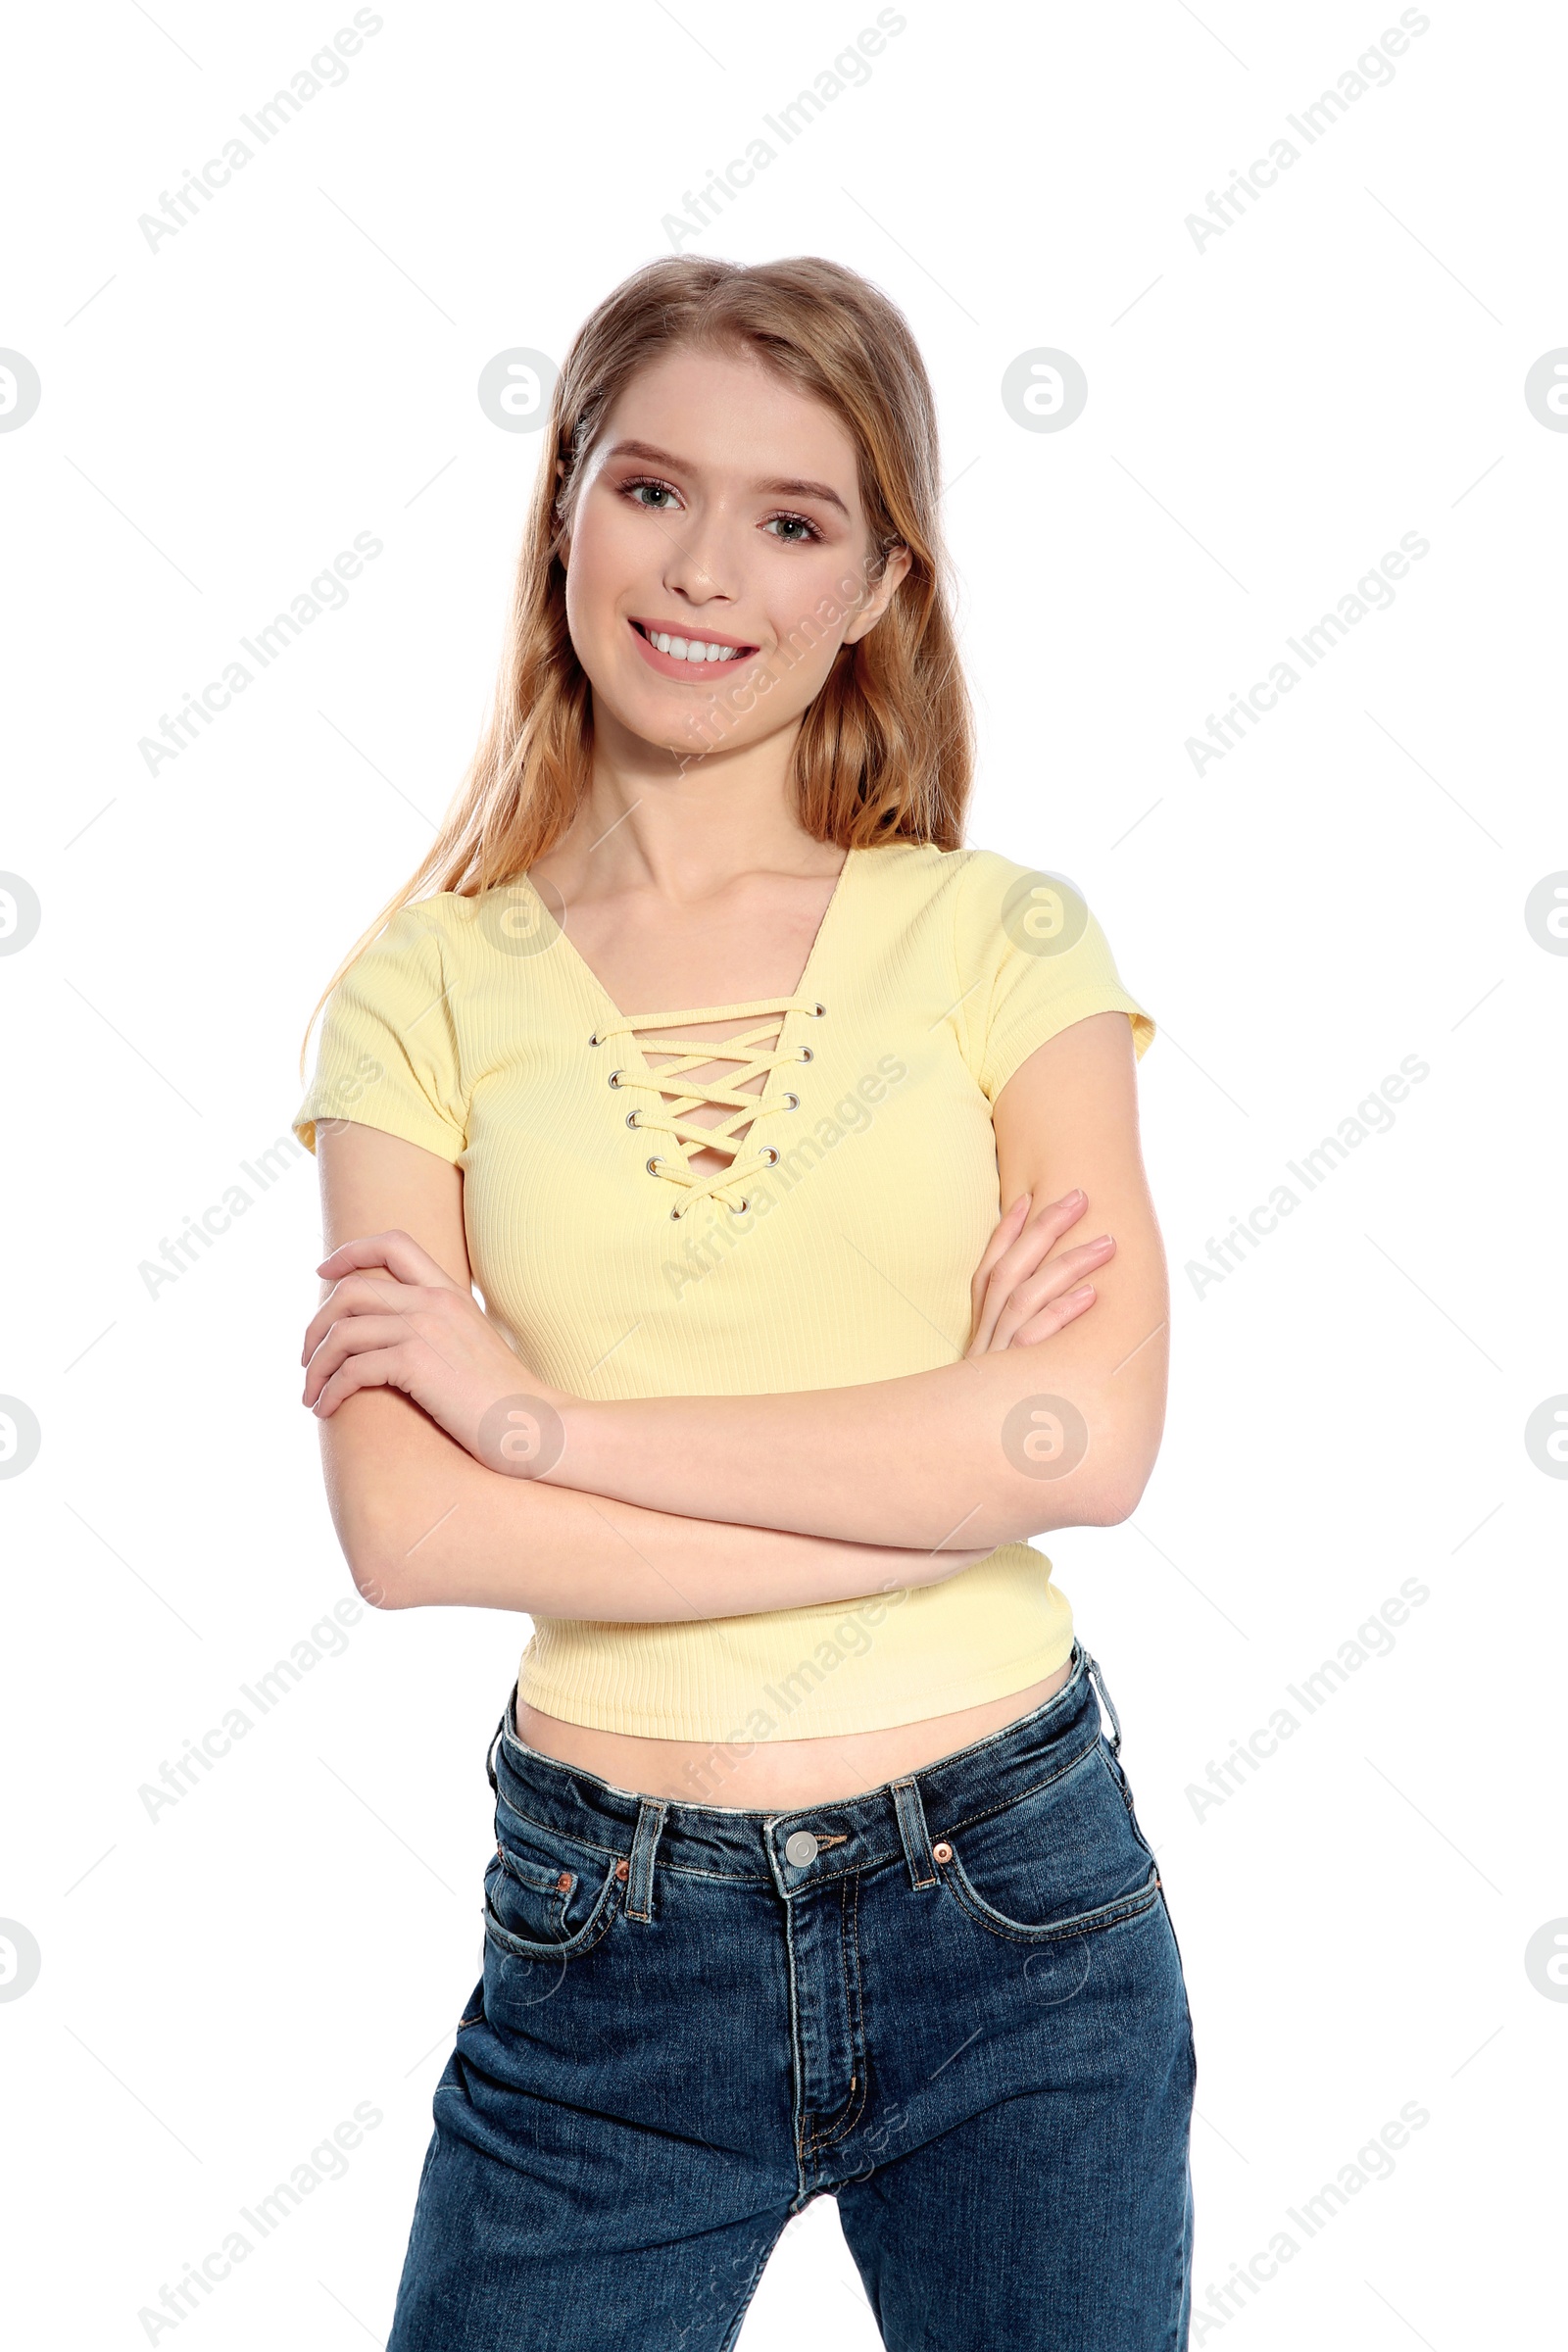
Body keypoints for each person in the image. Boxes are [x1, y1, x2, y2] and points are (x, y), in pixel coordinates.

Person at [293, 254, 1195, 2351]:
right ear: (564, 509)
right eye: (651, 489)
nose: (705, 571)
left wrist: (539, 1425)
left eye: (792, 520)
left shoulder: (1002, 939)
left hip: (1019, 1910)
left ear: (879, 581)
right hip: (607, 1940)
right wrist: (930, 1461)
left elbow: (1091, 1445)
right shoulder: (415, 989)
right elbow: (403, 1530)